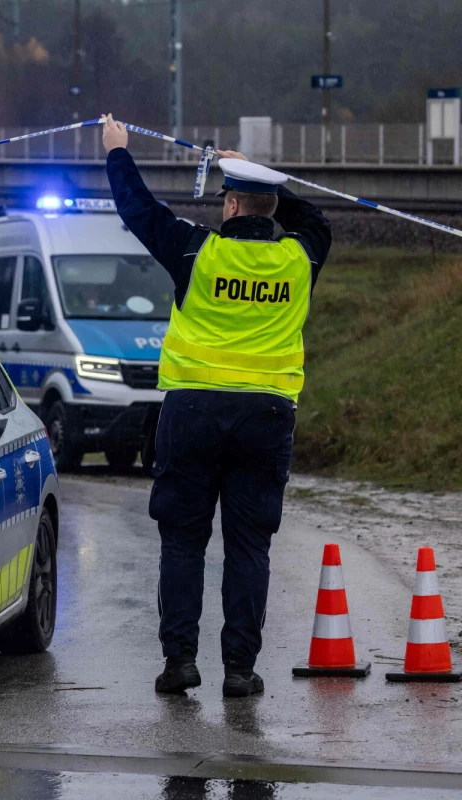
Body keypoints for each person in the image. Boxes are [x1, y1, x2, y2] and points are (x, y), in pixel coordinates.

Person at [101, 114, 332, 698]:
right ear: (270, 210)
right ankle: (239, 670)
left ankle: (180, 663)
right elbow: (316, 222)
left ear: (229, 206)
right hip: (267, 418)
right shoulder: (299, 259)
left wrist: (117, 152)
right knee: (249, 546)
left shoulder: (195, 251)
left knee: (183, 541)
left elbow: (138, 210)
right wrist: (264, 180)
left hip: (193, 413)